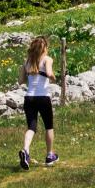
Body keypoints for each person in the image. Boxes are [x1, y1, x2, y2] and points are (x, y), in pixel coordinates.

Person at [19, 36, 59, 169]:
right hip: (43, 97)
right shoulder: (48, 59)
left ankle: (25, 151)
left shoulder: (27, 62)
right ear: (44, 48)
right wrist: (54, 77)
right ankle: (49, 155)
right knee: (49, 126)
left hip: (29, 98)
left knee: (31, 127)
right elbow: (49, 73)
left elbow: (21, 81)